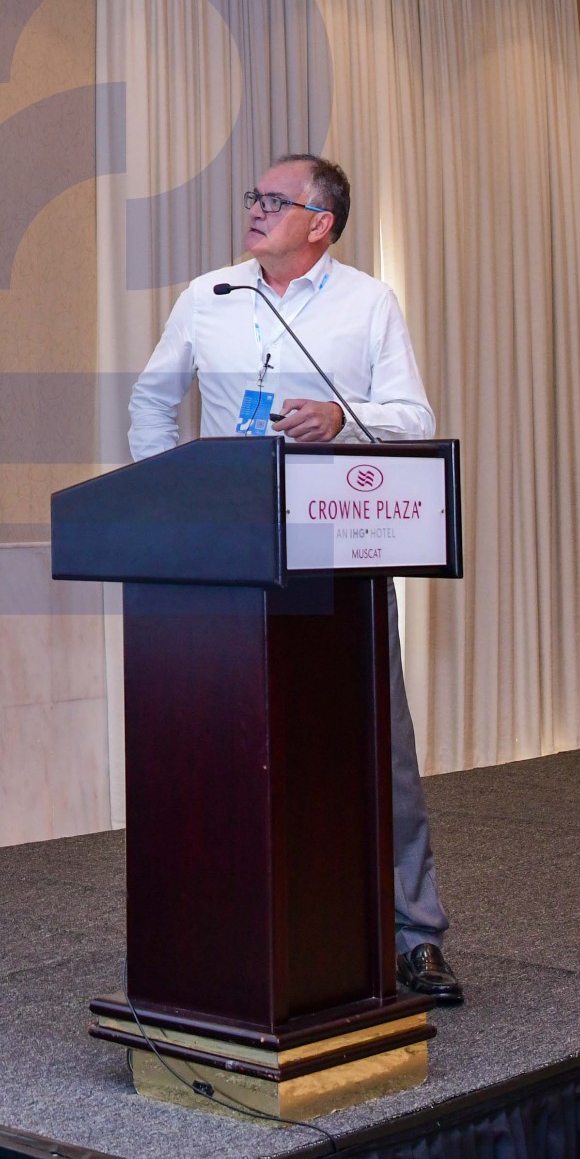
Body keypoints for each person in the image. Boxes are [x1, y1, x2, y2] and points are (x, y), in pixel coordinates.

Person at [124, 152, 461, 1005]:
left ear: (322, 223)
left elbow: (413, 418)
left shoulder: (367, 302)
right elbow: (152, 402)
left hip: (336, 542)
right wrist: (172, 499)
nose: (256, 208)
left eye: (276, 200)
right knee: (225, 741)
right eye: (255, 196)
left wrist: (343, 418)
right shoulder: (208, 295)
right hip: (226, 551)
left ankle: (413, 935)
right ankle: (229, 927)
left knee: (376, 744)